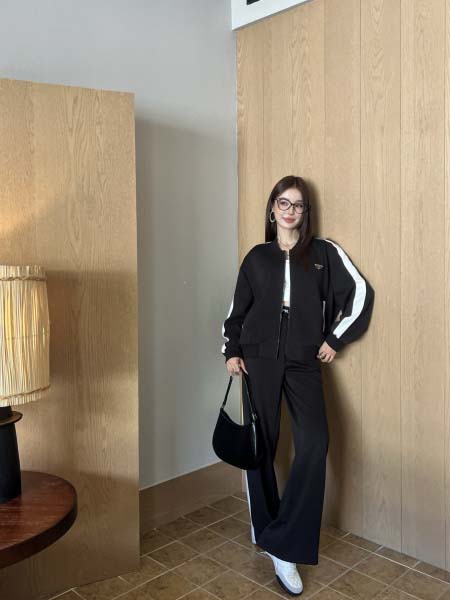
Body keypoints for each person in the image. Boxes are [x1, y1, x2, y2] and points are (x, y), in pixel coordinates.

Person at [220, 175, 374, 596]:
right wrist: (231, 350)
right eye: (283, 203)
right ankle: (266, 529)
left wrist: (334, 338)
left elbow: (361, 294)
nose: (291, 211)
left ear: (306, 212)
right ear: (272, 209)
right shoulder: (257, 258)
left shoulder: (323, 253)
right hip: (258, 359)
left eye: (298, 205)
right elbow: (236, 311)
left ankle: (283, 541)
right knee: (261, 446)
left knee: (314, 442)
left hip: (304, 360)